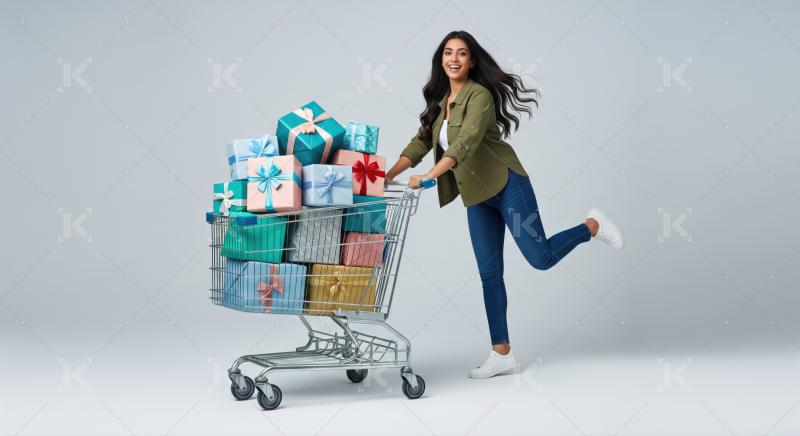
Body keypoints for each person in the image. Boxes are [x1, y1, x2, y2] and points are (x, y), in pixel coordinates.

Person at [383, 30, 625, 379]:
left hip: (507, 184)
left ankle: (592, 226)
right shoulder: (440, 104)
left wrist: (430, 177)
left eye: (462, 53)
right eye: (448, 53)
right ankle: (502, 353)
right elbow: (420, 142)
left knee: (539, 257)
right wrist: (388, 175)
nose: (454, 59)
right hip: (477, 197)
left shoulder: (479, 96)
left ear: (472, 61)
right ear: (441, 60)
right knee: (489, 275)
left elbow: (463, 144)